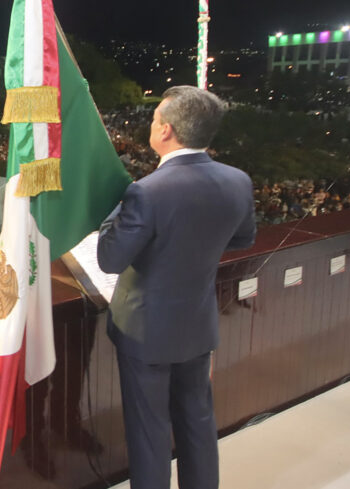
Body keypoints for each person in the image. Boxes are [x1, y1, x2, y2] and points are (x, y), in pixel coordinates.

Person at [97, 86, 256, 489]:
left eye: (153, 121)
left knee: (150, 436)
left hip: (145, 332)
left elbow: (109, 258)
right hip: (198, 325)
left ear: (166, 131)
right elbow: (242, 239)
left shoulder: (146, 191)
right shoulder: (238, 180)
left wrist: (117, 208)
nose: (151, 126)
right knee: (198, 425)